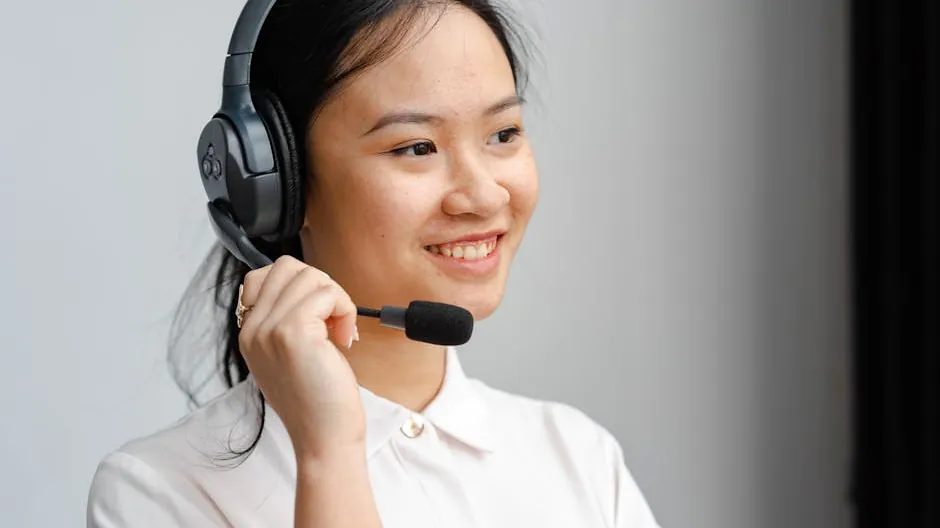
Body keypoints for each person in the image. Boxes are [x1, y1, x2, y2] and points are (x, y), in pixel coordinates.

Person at [87, 1, 661, 526]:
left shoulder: (580, 461)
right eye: (416, 147)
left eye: (503, 133)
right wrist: (328, 453)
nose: (485, 196)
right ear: (279, 185)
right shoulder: (160, 492)